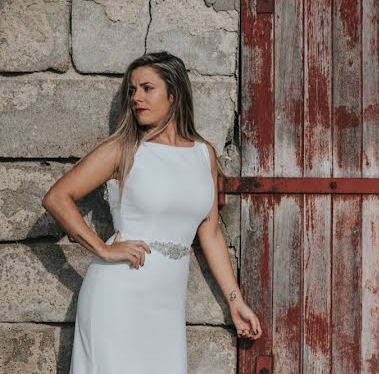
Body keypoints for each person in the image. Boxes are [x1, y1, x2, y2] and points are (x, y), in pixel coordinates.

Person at [41, 51, 262, 373]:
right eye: (131, 90)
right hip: (119, 293)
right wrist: (103, 248)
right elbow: (58, 197)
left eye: (147, 88)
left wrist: (234, 300)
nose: (136, 98)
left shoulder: (203, 154)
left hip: (167, 302)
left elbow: (210, 232)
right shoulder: (124, 149)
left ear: (174, 94)